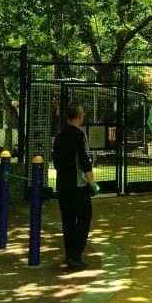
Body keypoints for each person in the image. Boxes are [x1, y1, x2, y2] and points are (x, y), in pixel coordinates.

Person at [52, 103, 98, 270]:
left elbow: (56, 161)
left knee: (68, 220)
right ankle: (75, 254)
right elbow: (85, 161)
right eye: (82, 113)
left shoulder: (59, 136)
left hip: (62, 185)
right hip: (78, 186)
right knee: (84, 218)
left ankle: (69, 253)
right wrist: (92, 183)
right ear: (79, 116)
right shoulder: (80, 136)